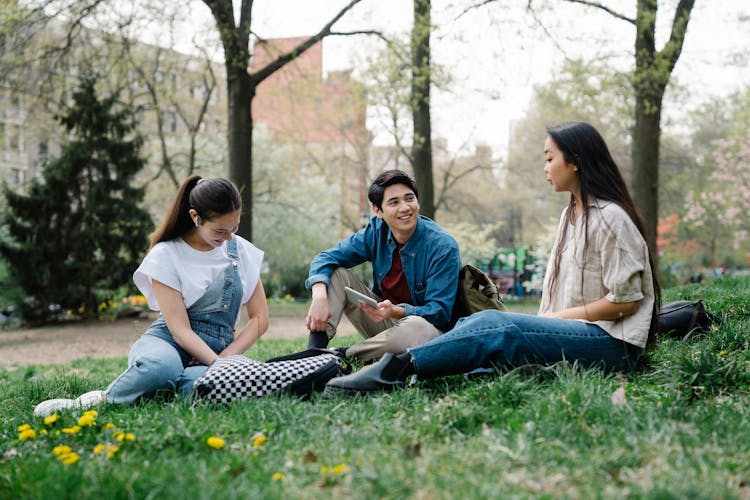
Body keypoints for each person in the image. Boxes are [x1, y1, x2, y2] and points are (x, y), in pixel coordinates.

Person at [324, 121, 661, 395]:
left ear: (575, 161)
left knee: (495, 325)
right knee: (474, 324)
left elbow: (626, 302)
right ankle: (383, 363)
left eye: (549, 158)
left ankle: (394, 370)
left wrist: (558, 318)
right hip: (573, 331)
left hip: (610, 344)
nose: (545, 167)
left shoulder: (611, 218)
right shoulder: (571, 216)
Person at [34, 176, 268, 416]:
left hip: (218, 351)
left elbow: (260, 319)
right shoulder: (166, 255)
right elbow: (180, 331)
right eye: (220, 230)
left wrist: (224, 362)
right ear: (195, 217)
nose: (229, 237)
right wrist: (218, 365)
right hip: (168, 343)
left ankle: (152, 391)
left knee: (204, 385)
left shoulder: (240, 251)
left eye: (235, 227)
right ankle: (101, 400)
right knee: (161, 368)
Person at [305, 169, 461, 361]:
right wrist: (319, 295)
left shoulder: (443, 246)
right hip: (384, 322)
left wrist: (398, 310)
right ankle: (310, 356)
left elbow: (440, 314)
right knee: (336, 274)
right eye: (394, 202)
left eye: (409, 198)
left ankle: (341, 356)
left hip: (427, 332)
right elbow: (325, 258)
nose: (405, 208)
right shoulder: (377, 231)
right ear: (378, 211)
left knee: (415, 327)